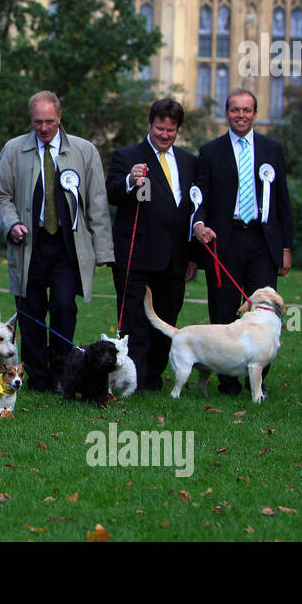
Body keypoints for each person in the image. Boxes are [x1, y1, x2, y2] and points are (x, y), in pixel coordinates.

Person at [0, 91, 114, 394]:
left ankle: (62, 372)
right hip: (28, 246)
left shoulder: (84, 151)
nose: (44, 128)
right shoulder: (13, 150)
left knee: (63, 308)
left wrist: (103, 251)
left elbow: (97, 203)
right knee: (30, 312)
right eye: (37, 122)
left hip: (67, 246)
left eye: (49, 121)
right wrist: (12, 224)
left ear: (60, 118)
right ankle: (36, 377)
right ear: (30, 120)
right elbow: (0, 198)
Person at [192, 88, 294, 396]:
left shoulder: (273, 150)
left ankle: (258, 381)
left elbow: (282, 201)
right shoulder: (210, 151)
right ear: (227, 113)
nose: (241, 115)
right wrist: (198, 224)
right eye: (235, 109)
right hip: (224, 240)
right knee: (224, 310)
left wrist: (285, 247)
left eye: (247, 110)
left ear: (255, 113)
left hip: (263, 242)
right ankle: (228, 381)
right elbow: (200, 195)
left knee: (264, 310)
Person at [105, 98, 197, 392]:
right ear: (150, 125)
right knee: (134, 321)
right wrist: (131, 181)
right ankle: (135, 379)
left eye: (171, 130)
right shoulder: (127, 156)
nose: (165, 135)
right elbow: (112, 193)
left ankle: (154, 377)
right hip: (136, 256)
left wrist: (192, 255)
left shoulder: (188, 161)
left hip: (174, 258)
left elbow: (192, 208)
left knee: (167, 319)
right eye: (160, 128)